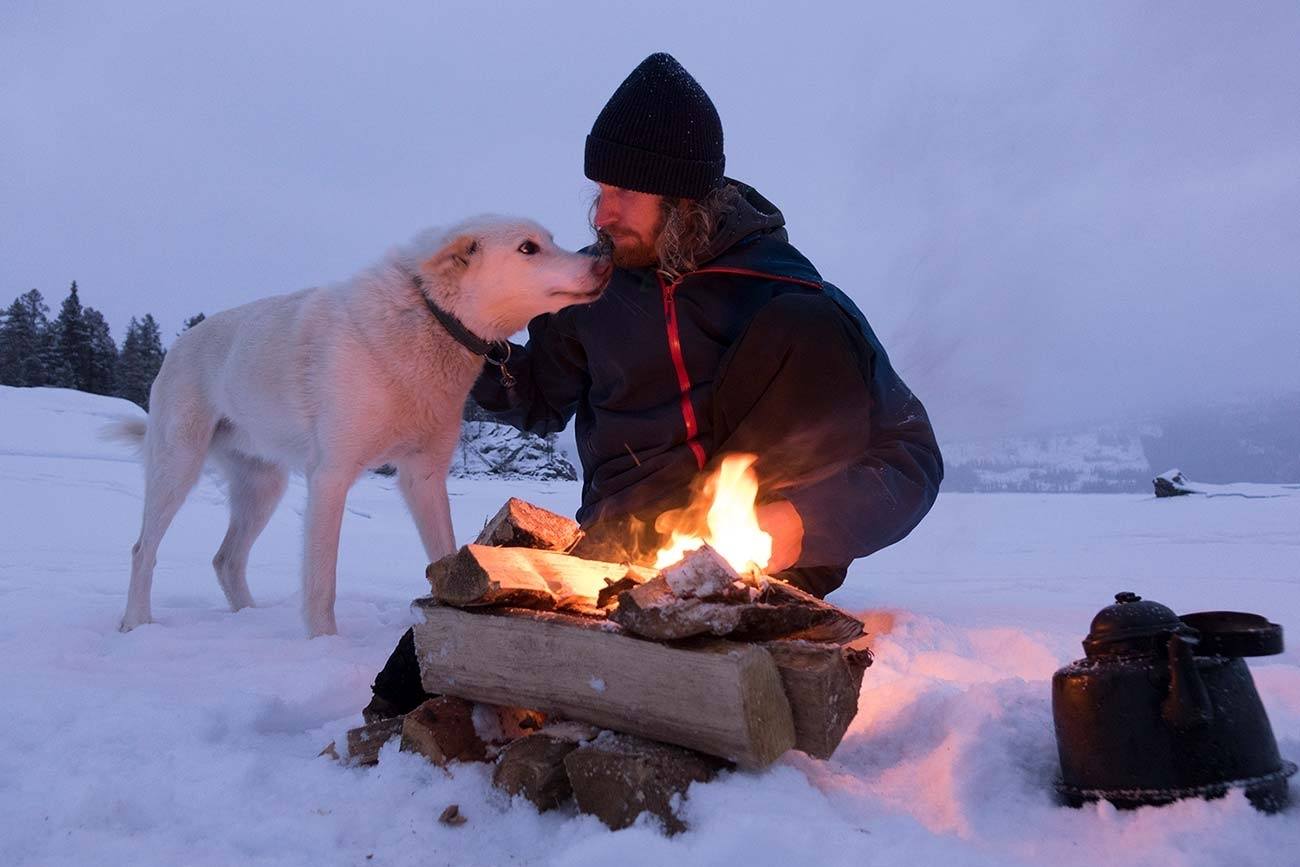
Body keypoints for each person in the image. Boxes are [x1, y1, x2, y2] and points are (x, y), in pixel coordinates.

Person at [366, 53, 941, 718]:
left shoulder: (787, 293)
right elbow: (538, 397)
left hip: (750, 556)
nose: (601, 216)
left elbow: (910, 456)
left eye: (623, 194)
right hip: (620, 546)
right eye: (599, 192)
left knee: (803, 326)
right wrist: (457, 342)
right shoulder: (588, 289)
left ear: (682, 197)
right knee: (449, 649)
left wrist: (799, 523)